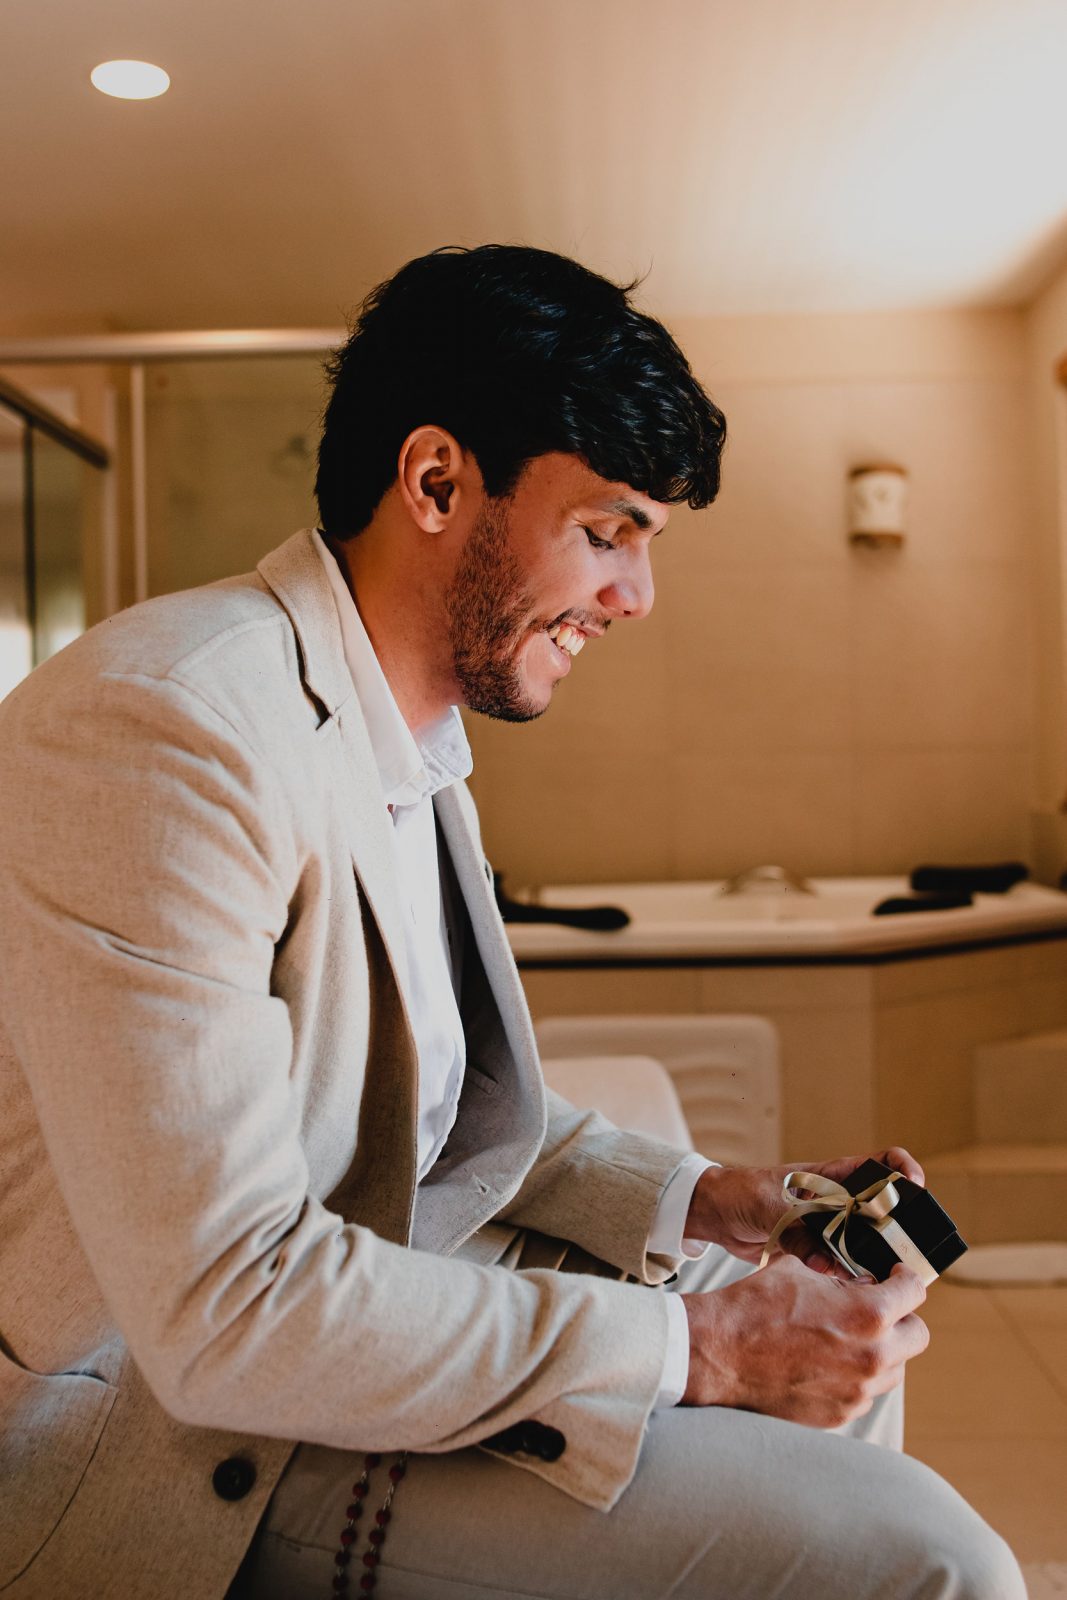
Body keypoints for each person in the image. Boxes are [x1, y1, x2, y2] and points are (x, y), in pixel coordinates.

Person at [0, 245, 1023, 1600]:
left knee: (848, 1354)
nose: (635, 597)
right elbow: (226, 1309)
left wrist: (709, 1201)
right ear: (436, 482)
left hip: (374, 1300)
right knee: (939, 1563)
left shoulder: (410, 744)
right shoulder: (166, 730)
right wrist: (705, 1351)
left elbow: (429, 1115)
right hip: (180, 1451)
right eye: (606, 533)